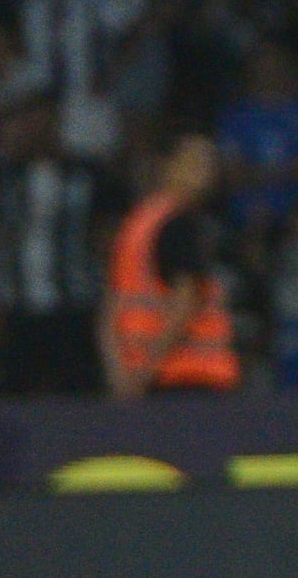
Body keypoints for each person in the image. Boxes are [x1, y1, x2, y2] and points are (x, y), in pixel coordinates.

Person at [100, 134, 236, 395]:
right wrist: (146, 370)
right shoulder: (181, 223)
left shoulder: (136, 224)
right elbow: (185, 302)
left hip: (140, 379)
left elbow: (110, 308)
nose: (205, 171)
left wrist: (118, 373)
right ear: (167, 166)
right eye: (194, 161)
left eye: (210, 162)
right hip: (187, 377)